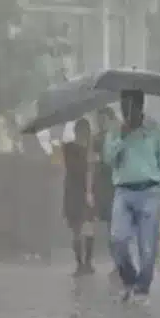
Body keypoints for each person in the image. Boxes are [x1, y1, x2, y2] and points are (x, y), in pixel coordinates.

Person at [103, 90, 160, 300]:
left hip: (150, 192)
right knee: (118, 240)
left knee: (147, 248)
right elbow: (108, 158)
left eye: (130, 106)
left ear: (140, 106)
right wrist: (121, 138)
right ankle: (130, 280)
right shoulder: (116, 130)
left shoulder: (155, 130)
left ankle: (142, 288)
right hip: (123, 192)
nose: (127, 111)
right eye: (123, 106)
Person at [61, 118, 96, 275]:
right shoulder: (70, 148)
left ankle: (86, 263)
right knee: (77, 229)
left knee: (87, 228)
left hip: (84, 192)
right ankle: (81, 264)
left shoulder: (90, 149)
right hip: (76, 192)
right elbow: (77, 168)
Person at [92, 107, 118, 269]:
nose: (101, 123)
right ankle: (117, 261)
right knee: (110, 225)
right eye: (99, 120)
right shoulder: (97, 140)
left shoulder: (118, 137)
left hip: (118, 185)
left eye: (103, 120)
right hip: (104, 187)